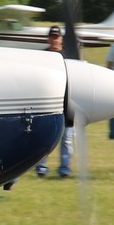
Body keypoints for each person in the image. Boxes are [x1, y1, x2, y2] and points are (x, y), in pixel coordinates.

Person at [36, 26, 72, 177]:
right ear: (48, 38)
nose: (54, 40)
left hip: (67, 103)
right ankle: (41, 168)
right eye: (51, 36)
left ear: (61, 39)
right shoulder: (41, 57)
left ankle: (64, 169)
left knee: (67, 140)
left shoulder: (68, 58)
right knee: (45, 138)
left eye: (56, 37)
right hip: (47, 104)